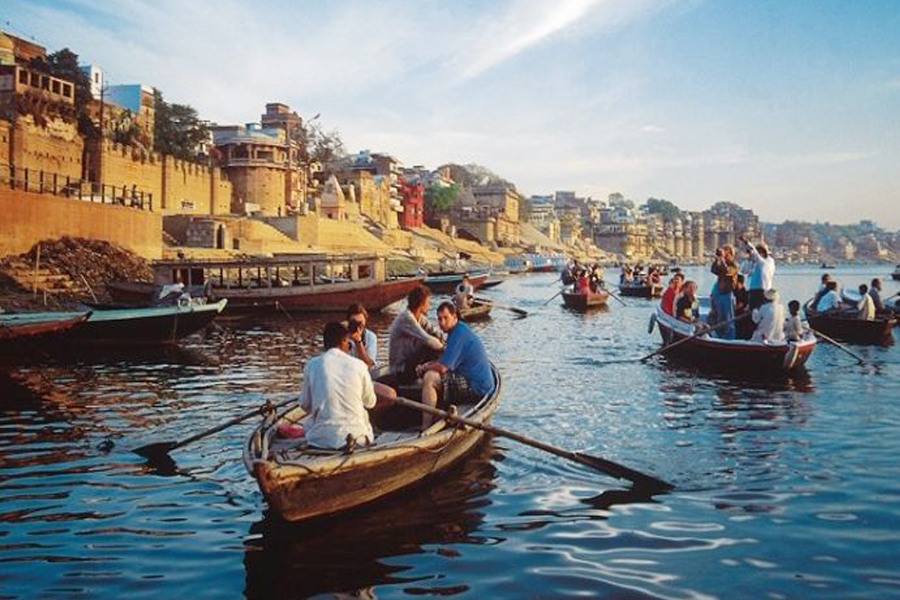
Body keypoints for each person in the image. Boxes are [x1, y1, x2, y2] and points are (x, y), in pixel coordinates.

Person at [298, 322, 377, 450]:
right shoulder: (360, 365)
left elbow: (305, 405)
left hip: (321, 439)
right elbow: (370, 402)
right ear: (344, 341)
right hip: (358, 438)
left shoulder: (312, 365)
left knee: (308, 424)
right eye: (348, 342)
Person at [416, 302, 494, 430]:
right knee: (432, 373)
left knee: (430, 378)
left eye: (446, 318)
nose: (442, 322)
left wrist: (424, 368)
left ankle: (426, 426)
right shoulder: (457, 331)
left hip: (477, 388)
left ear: (454, 317)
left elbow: (443, 368)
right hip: (474, 382)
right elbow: (444, 360)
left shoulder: (459, 335)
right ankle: (437, 412)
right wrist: (427, 365)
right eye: (440, 319)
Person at [387, 285, 444, 383]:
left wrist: (446, 343)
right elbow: (428, 340)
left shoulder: (420, 317)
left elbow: (436, 332)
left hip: (411, 361)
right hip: (400, 369)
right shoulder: (406, 318)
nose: (429, 306)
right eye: (428, 303)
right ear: (421, 304)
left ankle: (433, 369)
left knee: (435, 339)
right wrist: (444, 348)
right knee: (430, 344)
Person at [739, 235, 776, 310]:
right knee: (753, 312)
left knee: (762, 311)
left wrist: (746, 242)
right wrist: (749, 259)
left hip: (764, 291)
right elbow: (743, 270)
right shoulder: (754, 262)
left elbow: (755, 254)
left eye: (760, 252)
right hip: (753, 291)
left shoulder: (768, 262)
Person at [710, 246, 739, 339]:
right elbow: (713, 270)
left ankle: (730, 338)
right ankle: (719, 335)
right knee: (720, 317)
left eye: (726, 252)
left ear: (731, 254)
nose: (724, 254)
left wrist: (722, 261)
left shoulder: (734, 265)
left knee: (728, 319)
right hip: (720, 292)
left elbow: (729, 273)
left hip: (727, 293)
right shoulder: (722, 263)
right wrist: (717, 260)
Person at [346, 303, 378, 372]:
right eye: (354, 322)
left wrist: (358, 342)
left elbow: (369, 364)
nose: (357, 326)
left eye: (360, 322)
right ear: (348, 322)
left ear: (365, 320)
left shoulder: (370, 337)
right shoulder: (342, 336)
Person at [733, 274, 754, 340]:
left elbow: (746, 304)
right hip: (735, 314)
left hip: (742, 315)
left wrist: (742, 306)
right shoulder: (733, 291)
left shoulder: (746, 293)